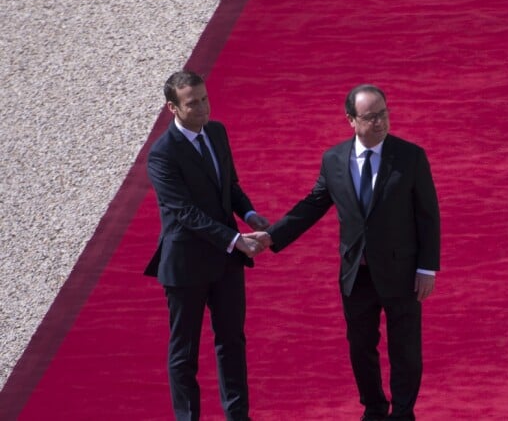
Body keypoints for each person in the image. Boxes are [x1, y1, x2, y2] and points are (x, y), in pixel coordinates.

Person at [255, 84, 440, 420]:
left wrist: (427, 269)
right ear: (351, 120)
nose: (381, 122)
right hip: (357, 272)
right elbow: (313, 205)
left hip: (402, 271)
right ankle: (373, 407)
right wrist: (271, 236)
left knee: (405, 348)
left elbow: (428, 215)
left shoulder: (410, 157)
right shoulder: (334, 160)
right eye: (371, 117)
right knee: (360, 346)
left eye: (383, 113)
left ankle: (402, 412)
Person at [144, 70, 269, 421]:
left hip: (226, 262)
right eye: (192, 103)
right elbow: (184, 212)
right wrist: (235, 239)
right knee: (184, 352)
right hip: (186, 266)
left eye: (204, 99)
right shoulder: (162, 155)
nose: (202, 108)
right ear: (172, 107)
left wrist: (249, 212)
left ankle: (237, 415)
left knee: (232, 342)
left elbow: (229, 183)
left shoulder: (216, 132)